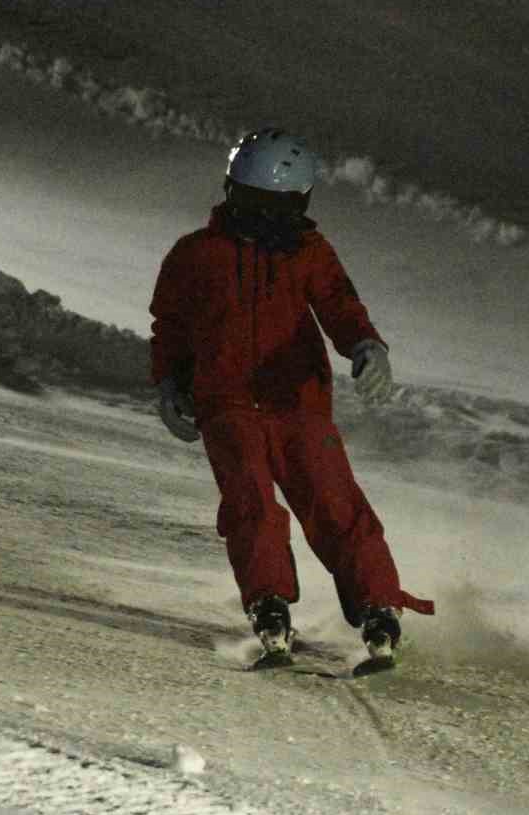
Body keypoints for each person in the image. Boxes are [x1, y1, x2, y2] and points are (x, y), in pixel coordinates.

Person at [149, 127, 433, 664]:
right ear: (231, 192)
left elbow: (339, 305)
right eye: (249, 202)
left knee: (333, 501)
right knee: (250, 501)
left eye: (274, 206)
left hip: (297, 402)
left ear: (297, 205)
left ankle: (378, 605)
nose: (259, 219)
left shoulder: (308, 253)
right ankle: (269, 602)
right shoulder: (196, 254)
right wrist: (168, 385)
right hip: (227, 403)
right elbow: (170, 326)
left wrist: (367, 346)